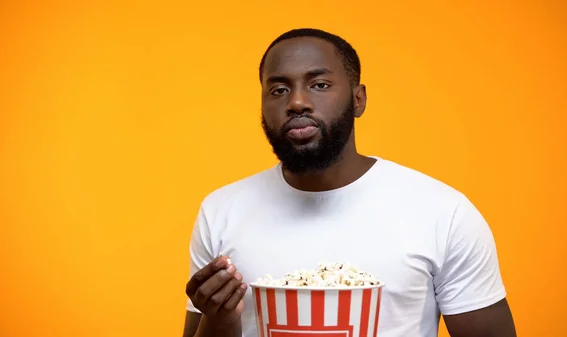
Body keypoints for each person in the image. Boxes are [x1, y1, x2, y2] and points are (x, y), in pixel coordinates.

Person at [182, 28, 517, 337]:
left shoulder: (444, 213)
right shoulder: (220, 212)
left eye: (319, 85)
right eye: (279, 89)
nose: (297, 102)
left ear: (358, 100)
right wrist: (221, 319)